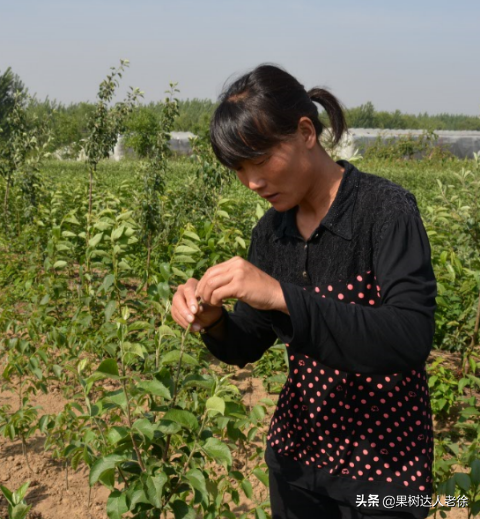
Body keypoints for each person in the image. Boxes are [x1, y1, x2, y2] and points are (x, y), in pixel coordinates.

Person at [171, 64, 437, 519]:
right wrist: (213, 321)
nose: (252, 182)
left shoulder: (385, 211)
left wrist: (282, 295)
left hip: (386, 474)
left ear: (306, 132)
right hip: (298, 463)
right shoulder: (272, 234)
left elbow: (409, 335)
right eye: (239, 168)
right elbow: (249, 341)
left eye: (260, 159)